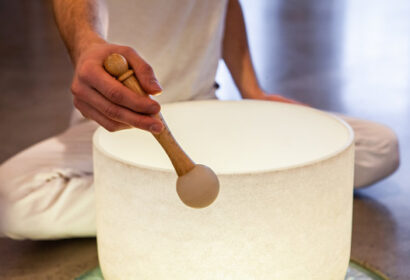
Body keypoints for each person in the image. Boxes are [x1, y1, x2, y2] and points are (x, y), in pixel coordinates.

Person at [0, 0, 399, 240]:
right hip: (121, 119)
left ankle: (201, 196)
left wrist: (252, 91)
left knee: (378, 147)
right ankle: (238, 196)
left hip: (209, 109)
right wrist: (88, 41)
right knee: (10, 200)